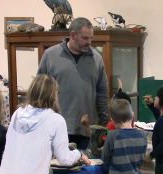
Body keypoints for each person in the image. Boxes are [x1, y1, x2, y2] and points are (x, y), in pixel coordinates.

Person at [0, 75, 91, 174]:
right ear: (54, 95)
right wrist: (79, 154)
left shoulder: (17, 114)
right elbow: (65, 159)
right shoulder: (56, 119)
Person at [37, 17, 109, 151]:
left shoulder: (97, 58)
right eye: (85, 38)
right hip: (56, 128)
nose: (89, 42)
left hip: (87, 130)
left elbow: (102, 92)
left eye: (91, 38)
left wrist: (104, 123)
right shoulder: (50, 55)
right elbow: (40, 90)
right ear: (73, 35)